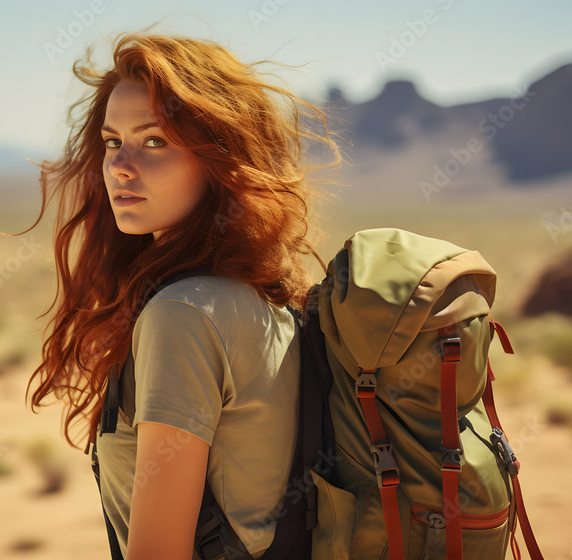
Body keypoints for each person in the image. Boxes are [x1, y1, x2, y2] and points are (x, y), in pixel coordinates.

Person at [23, 27, 344, 560]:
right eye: (112, 142)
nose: (120, 166)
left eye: (155, 141)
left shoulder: (183, 313)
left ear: (220, 157)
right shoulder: (272, 296)